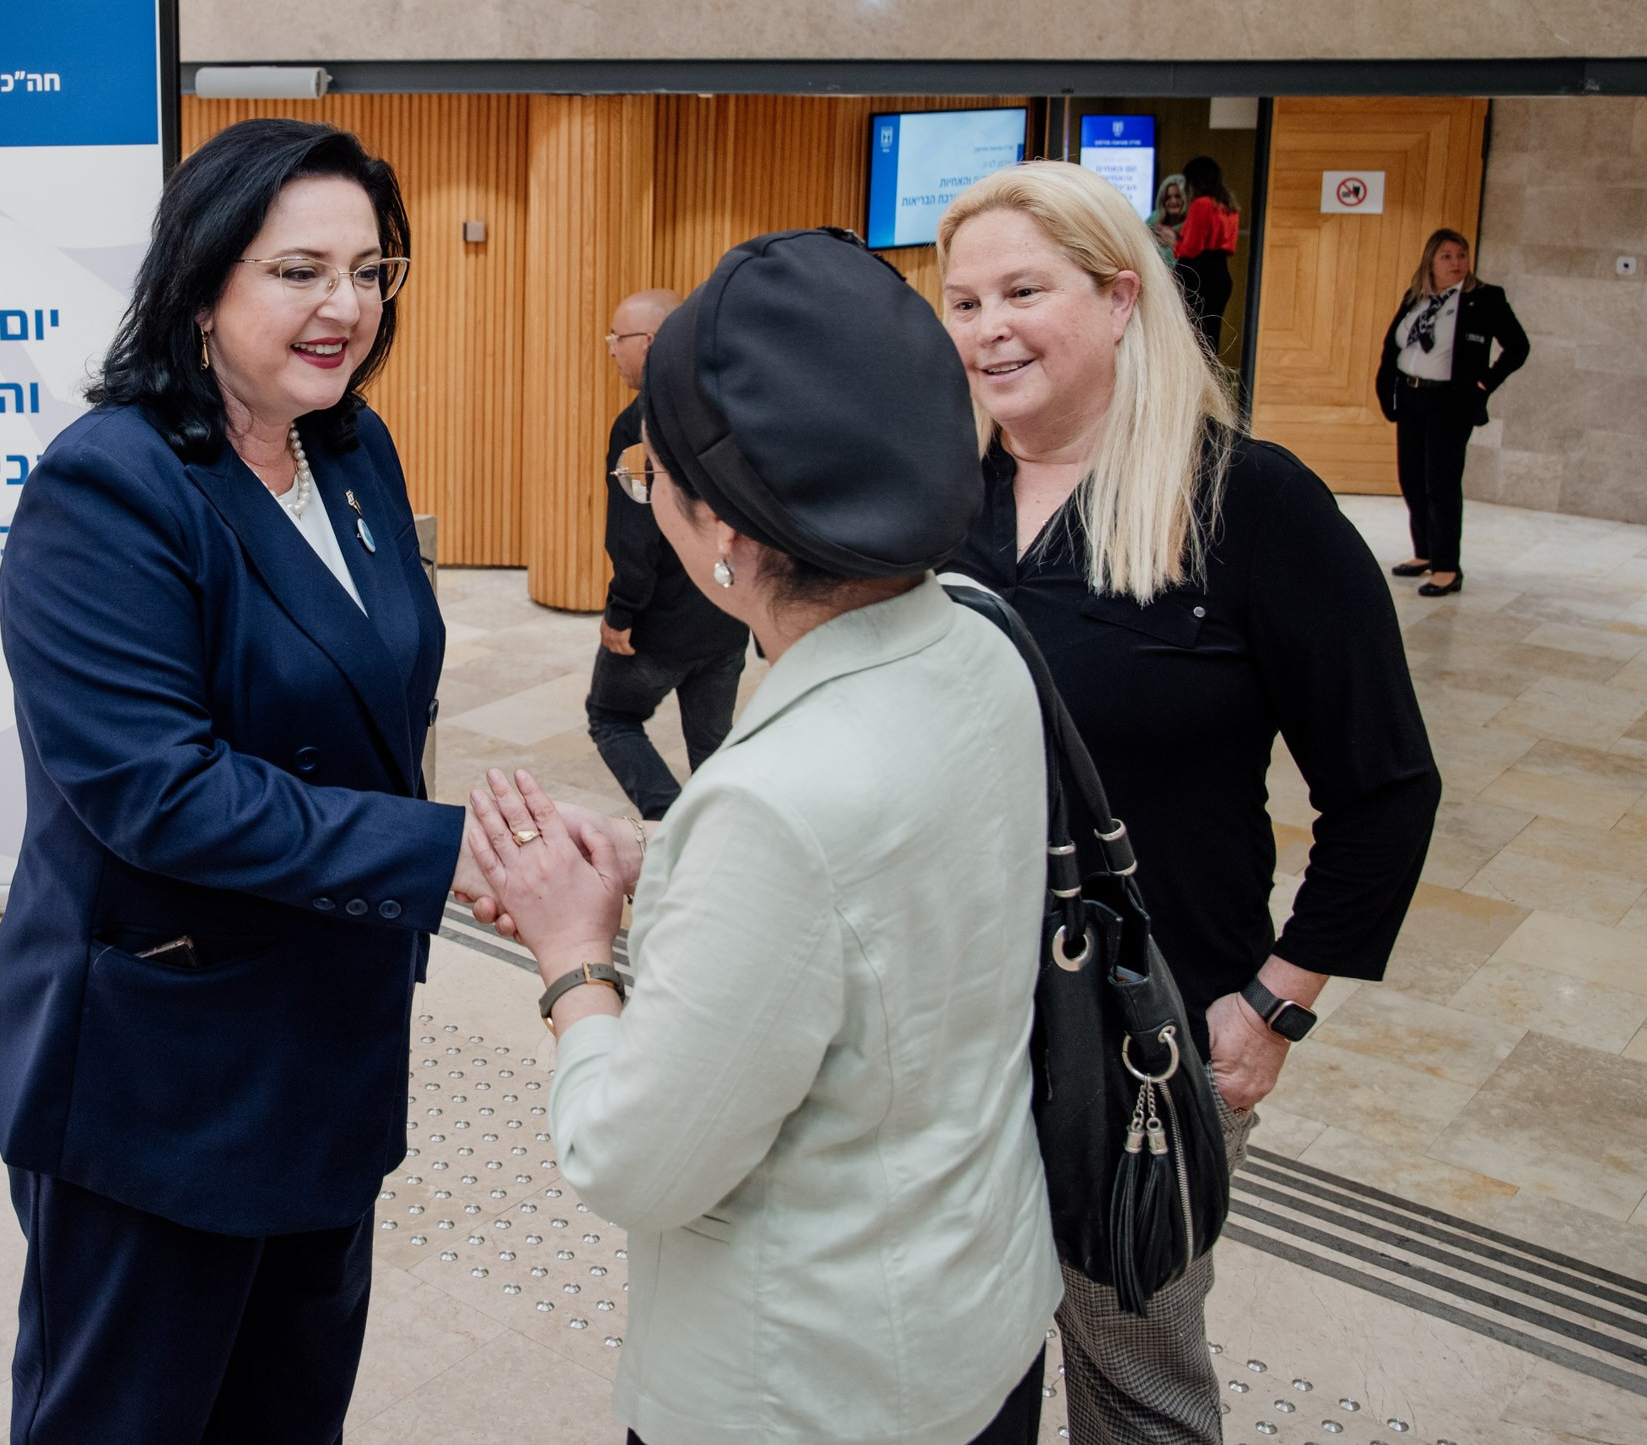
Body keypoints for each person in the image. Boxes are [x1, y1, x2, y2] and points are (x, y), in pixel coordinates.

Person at [465, 228, 1061, 1445]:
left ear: (725, 531)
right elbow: (878, 916)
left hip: (814, 1384)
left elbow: (635, 1159)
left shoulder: (779, 803)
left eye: (651, 482)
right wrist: (676, 872)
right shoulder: (982, 634)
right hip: (979, 1316)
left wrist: (576, 953)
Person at [0, 118, 508, 1444]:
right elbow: (159, 791)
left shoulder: (352, 451)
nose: (346, 305)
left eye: (371, 268)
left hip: (330, 1049)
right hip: (163, 1082)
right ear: (202, 285)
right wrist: (442, 855)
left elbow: (381, 693)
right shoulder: (109, 488)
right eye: (299, 270)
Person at [936, 160, 1439, 1445]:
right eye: (961, 299)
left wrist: (1274, 1006)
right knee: (952, 1373)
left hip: (1145, 1044)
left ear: (1117, 299)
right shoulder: (942, 507)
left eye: (1020, 290)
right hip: (948, 1032)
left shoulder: (1250, 504)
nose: (987, 326)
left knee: (1136, 1384)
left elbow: (1385, 789)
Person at [590, 285, 748, 818]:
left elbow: (635, 538)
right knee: (714, 748)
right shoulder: (732, 409)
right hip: (728, 616)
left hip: (661, 625)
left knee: (609, 718)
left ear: (651, 341)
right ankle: (724, 843)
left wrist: (620, 613)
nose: (611, 347)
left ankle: (673, 829)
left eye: (618, 336)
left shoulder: (637, 426)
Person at [1374, 227, 1528, 597]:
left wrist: (1484, 383)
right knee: (1411, 477)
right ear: (1431, 261)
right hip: (1411, 399)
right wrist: (1386, 389)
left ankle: (1447, 567)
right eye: (1447, 256)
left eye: (1461, 255)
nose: (1456, 263)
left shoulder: (1485, 298)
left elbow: (1518, 347)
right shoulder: (1416, 297)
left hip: (1450, 403)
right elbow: (1394, 345)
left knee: (1440, 483)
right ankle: (1424, 552)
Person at [1172, 154, 1239, 353]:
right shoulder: (1229, 207)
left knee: (1189, 334)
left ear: (1194, 181)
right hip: (1220, 272)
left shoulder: (1202, 204)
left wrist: (1175, 244)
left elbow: (1191, 247)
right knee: (1210, 336)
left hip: (1196, 272)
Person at [1149, 172, 1189, 261]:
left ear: (1185, 198)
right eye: (1168, 197)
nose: (1173, 201)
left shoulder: (1191, 225)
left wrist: (1173, 243)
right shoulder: (1154, 219)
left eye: (1177, 196)